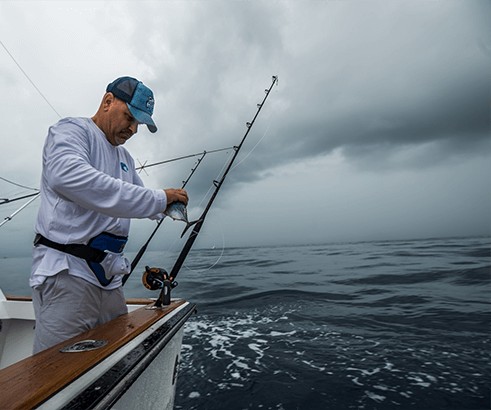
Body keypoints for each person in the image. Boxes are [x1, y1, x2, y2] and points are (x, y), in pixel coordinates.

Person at [30, 76, 188, 354]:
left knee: (114, 357)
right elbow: (68, 177)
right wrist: (159, 198)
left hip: (109, 278)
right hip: (68, 274)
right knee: (54, 369)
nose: (133, 129)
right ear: (107, 101)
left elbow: (141, 200)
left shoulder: (124, 158)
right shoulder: (71, 131)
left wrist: (168, 204)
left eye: (138, 123)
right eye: (129, 117)